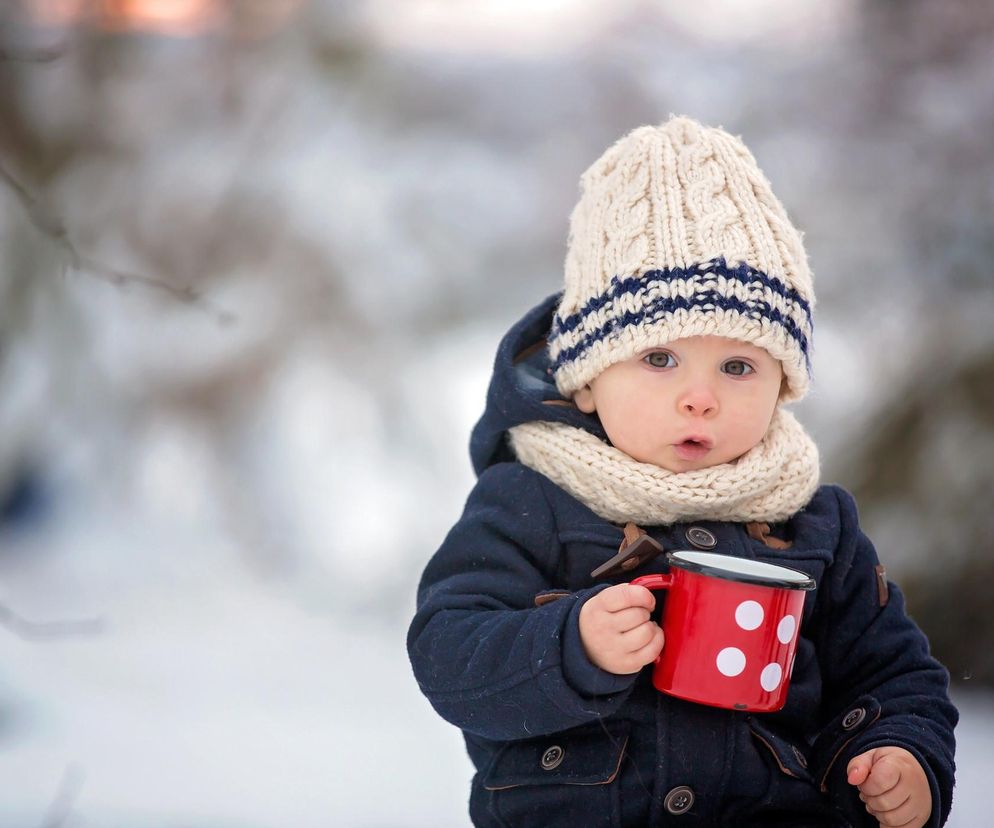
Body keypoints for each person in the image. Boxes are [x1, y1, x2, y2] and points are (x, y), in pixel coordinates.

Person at [407, 116, 957, 827]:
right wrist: (569, 648)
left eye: (738, 366)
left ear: (783, 385)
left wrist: (899, 751)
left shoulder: (819, 527)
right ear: (584, 380)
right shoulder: (532, 503)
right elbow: (449, 653)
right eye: (659, 359)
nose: (700, 395)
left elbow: (894, 674)